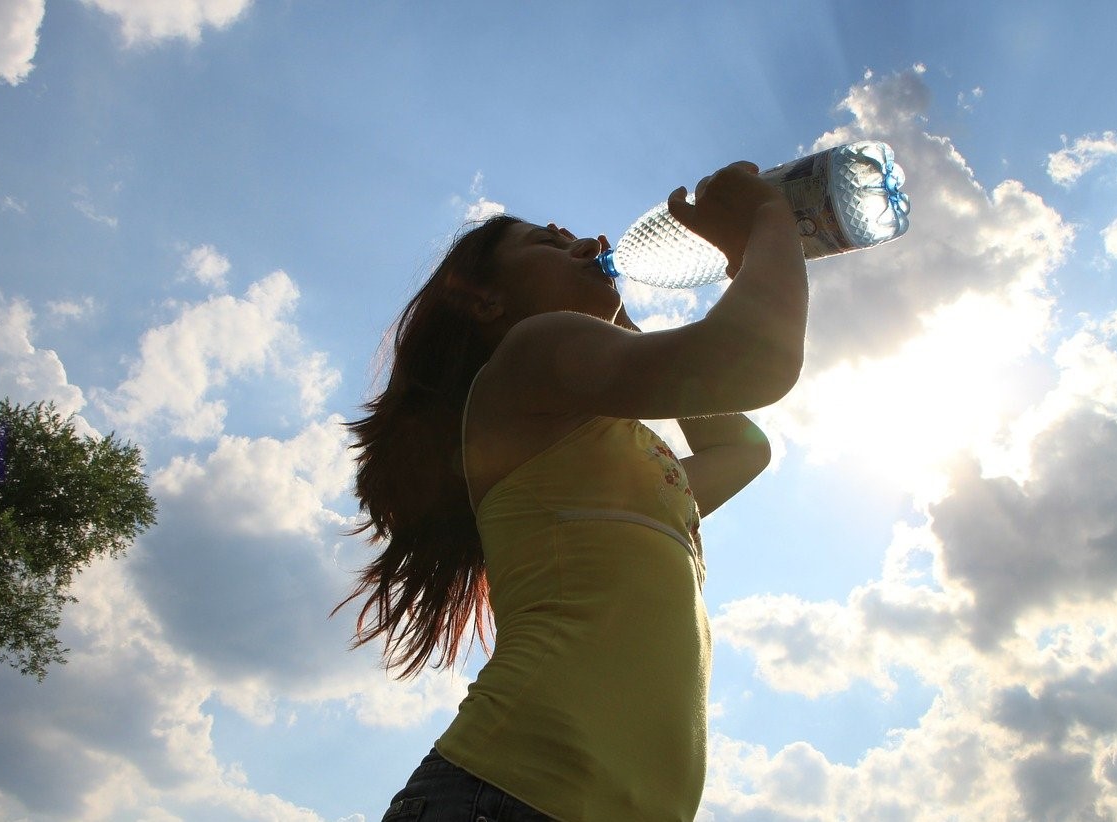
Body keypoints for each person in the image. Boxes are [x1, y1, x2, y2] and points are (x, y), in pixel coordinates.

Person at [338, 161, 808, 821]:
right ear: (484, 299)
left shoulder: (623, 465)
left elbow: (745, 450)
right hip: (509, 793)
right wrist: (767, 219)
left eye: (578, 241)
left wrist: (628, 319)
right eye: (547, 244)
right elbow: (754, 362)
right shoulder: (531, 354)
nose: (581, 240)